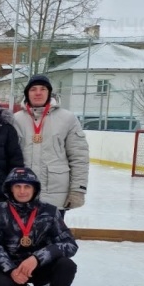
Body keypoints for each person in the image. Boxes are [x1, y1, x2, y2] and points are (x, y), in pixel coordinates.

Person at [0, 167, 78, 286]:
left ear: (35, 189)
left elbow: (70, 244)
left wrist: (37, 258)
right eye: (17, 186)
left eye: (27, 186)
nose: (22, 191)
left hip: (39, 266)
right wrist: (11, 269)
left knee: (67, 265)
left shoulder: (50, 211)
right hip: (12, 266)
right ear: (10, 188)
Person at [13, 74, 89, 214]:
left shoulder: (67, 118)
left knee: (53, 235)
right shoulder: (15, 119)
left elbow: (79, 157)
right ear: (27, 93)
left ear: (49, 93)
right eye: (33, 89)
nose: (38, 93)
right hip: (22, 195)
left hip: (55, 196)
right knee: (23, 235)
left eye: (43, 89)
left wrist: (78, 189)